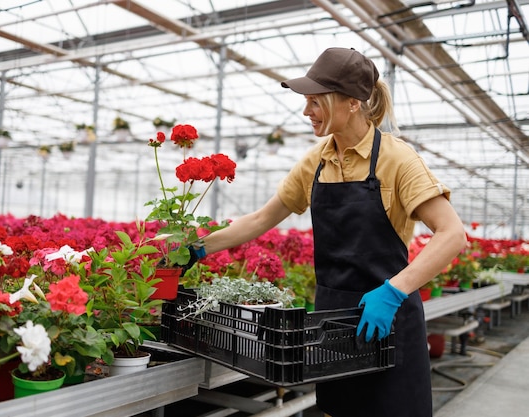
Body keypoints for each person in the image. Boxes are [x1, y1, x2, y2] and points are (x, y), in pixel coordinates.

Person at [186, 47, 467, 417]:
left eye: (316, 102)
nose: (306, 112)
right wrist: (197, 249)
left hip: (387, 323)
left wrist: (393, 291)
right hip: (331, 326)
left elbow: (452, 234)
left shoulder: (397, 159)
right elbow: (260, 219)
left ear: (351, 102)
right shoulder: (316, 160)